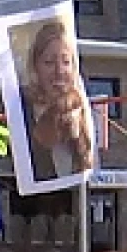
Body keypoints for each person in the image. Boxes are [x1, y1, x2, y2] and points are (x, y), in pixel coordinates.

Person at [21, 19, 96, 181]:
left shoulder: (79, 106)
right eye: (49, 62)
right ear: (35, 66)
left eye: (66, 62)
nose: (59, 71)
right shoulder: (21, 108)